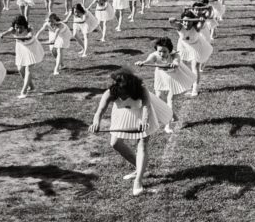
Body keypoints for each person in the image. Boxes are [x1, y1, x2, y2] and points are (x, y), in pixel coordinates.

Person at [88, 68, 172, 196]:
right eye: (121, 91)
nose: (123, 95)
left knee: (142, 145)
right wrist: (96, 123)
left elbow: (146, 106)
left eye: (126, 92)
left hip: (143, 114)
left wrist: (144, 121)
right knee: (115, 143)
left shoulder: (141, 89)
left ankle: (138, 181)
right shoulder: (110, 92)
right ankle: (140, 169)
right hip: (123, 114)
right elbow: (100, 110)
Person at [135, 37, 196, 134]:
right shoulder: (155, 55)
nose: (162, 54)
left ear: (170, 50)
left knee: (170, 99)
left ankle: (167, 126)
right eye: (159, 51)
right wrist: (143, 63)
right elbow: (148, 60)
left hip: (173, 77)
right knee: (158, 98)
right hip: (160, 77)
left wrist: (174, 64)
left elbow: (176, 61)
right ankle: (171, 115)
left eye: (164, 51)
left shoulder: (175, 55)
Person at [0, 15, 44, 98]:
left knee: (28, 69)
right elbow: (5, 33)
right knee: (20, 69)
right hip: (21, 48)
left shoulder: (29, 29)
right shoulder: (13, 30)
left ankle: (24, 91)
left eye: (21, 27)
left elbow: (29, 35)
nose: (18, 30)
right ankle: (32, 87)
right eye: (17, 27)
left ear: (25, 26)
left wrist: (26, 37)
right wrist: (2, 34)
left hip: (32, 48)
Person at [169, 11, 213, 97]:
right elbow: (172, 23)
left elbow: (200, 25)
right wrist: (171, 20)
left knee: (195, 66)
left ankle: (195, 89)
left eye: (189, 21)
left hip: (196, 46)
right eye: (185, 21)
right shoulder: (179, 26)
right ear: (182, 21)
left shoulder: (196, 27)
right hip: (183, 47)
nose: (187, 23)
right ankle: (187, 85)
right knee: (183, 66)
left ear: (193, 21)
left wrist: (201, 21)